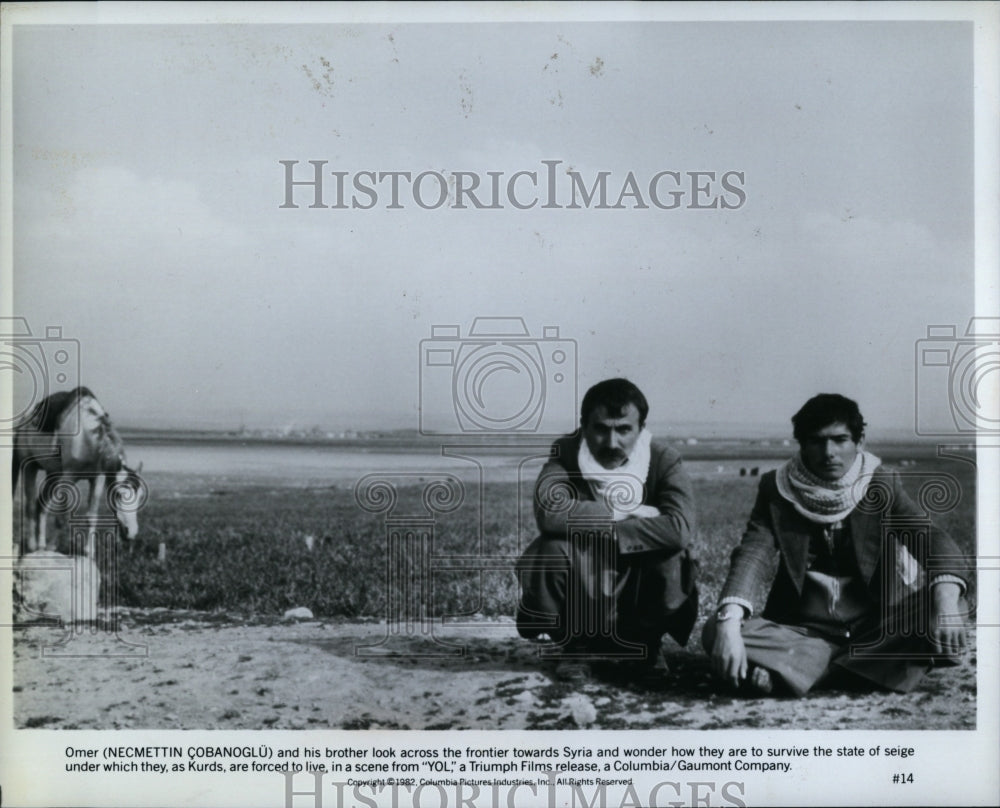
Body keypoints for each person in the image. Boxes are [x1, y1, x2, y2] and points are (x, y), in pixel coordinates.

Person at [704, 393, 972, 697]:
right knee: (716, 629)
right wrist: (728, 625)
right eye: (816, 441)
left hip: (876, 628)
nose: (829, 452)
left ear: (860, 441)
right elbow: (753, 554)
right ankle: (856, 670)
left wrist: (946, 603)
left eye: (839, 439)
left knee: (955, 604)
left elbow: (932, 539)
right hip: (802, 633)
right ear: (802, 445)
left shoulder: (881, 484)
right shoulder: (777, 489)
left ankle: (804, 672)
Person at [515, 378, 699, 683]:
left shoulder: (664, 459)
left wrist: (612, 533)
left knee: (672, 556)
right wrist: (625, 511)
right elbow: (549, 513)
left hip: (637, 576)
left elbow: (679, 529)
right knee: (550, 549)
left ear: (640, 429)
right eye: (601, 428)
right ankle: (576, 645)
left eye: (624, 429)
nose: (612, 442)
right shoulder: (566, 452)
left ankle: (647, 646)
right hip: (585, 571)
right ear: (584, 426)